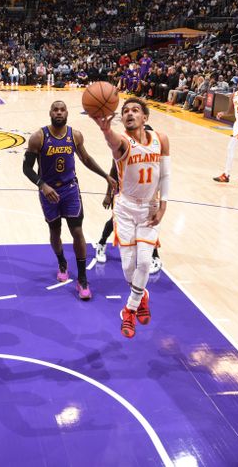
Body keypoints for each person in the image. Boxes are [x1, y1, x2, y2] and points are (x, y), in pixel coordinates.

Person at [91, 97, 170, 339]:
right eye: (125, 111)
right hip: (125, 210)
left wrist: (164, 204)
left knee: (145, 263)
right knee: (128, 268)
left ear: (145, 117)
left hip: (149, 208)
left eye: (135, 110)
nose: (129, 113)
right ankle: (141, 296)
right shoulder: (123, 142)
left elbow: (166, 174)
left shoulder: (161, 139)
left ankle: (129, 310)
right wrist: (106, 130)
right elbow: (113, 142)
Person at [23, 100, 115, 300]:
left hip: (70, 190)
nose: (58, 112)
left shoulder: (75, 136)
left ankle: (82, 278)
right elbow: (27, 169)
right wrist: (42, 185)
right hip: (49, 192)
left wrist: (105, 176)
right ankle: (62, 262)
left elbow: (86, 159)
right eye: (55, 109)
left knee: (77, 231)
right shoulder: (38, 137)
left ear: (67, 113)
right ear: (50, 112)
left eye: (62, 109)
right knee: (55, 231)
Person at [95, 124, 162, 275]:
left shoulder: (156, 148)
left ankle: (155, 257)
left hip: (148, 195)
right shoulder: (124, 146)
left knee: (150, 223)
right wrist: (108, 194)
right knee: (114, 221)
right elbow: (113, 170)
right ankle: (101, 243)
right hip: (125, 193)